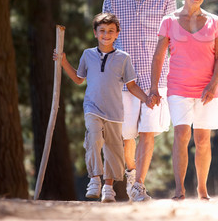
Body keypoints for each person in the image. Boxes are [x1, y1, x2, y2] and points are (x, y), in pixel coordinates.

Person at [53, 13, 155, 203]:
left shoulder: (123, 58)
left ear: (117, 34)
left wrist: (147, 98)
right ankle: (94, 180)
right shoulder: (87, 55)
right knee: (93, 137)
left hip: (115, 112)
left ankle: (108, 188)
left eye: (110, 31)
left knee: (113, 150)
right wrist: (63, 62)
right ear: (95, 33)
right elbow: (78, 78)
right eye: (102, 31)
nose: (106, 34)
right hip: (92, 107)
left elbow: (131, 86)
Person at [102, 0, 177, 201]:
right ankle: (131, 174)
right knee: (127, 135)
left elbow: (171, 39)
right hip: (124, 80)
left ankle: (138, 186)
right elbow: (107, 39)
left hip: (157, 77)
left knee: (148, 131)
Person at [150, 0, 218, 201]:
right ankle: (180, 189)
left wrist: (213, 84)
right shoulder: (169, 21)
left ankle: (202, 189)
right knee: (181, 135)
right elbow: (159, 56)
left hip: (208, 89)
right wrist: (154, 87)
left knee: (203, 139)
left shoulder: (214, 21)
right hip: (179, 87)